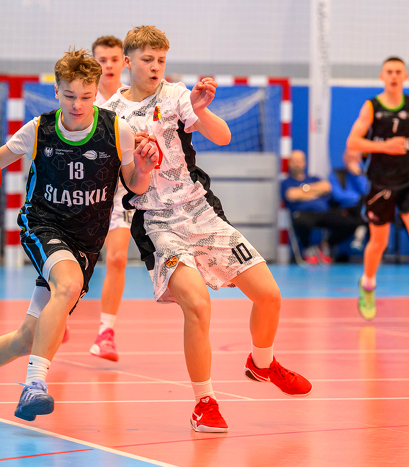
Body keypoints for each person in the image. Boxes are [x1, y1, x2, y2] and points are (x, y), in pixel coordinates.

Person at [0, 48, 159, 424]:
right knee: (67, 285)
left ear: (96, 91)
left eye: (85, 96)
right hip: (43, 225)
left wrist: (142, 170)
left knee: (26, 339)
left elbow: (134, 185)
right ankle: (34, 384)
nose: (77, 104)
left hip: (86, 242)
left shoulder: (117, 130)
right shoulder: (39, 129)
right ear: (56, 91)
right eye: (69, 95)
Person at [103, 25, 312, 433]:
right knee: (198, 305)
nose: (156, 67)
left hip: (200, 212)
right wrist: (142, 165)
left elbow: (223, 135)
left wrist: (202, 109)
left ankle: (262, 363)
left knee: (269, 295)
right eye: (147, 60)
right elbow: (132, 185)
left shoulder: (178, 95)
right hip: (157, 222)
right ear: (128, 61)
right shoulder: (112, 115)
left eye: (161, 60)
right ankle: (205, 402)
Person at [346, 56, 409, 320]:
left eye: (398, 72)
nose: (393, 76)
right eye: (389, 71)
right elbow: (353, 142)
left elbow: (407, 134)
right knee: (378, 243)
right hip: (380, 182)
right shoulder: (371, 107)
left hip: (407, 180)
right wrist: (384, 146)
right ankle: (368, 284)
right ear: (382, 76)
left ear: (405, 76)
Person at [88, 35, 128, 361]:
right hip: (87, 192)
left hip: (122, 194)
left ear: (124, 61)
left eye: (114, 59)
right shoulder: (84, 99)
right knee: (78, 262)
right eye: (102, 59)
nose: (109, 65)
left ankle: (106, 333)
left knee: (116, 259)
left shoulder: (132, 98)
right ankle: (59, 313)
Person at [281, 150, 360, 264]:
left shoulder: (314, 178)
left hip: (324, 213)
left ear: (304, 162)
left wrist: (302, 192)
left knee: (350, 222)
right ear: (289, 163)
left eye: (299, 161)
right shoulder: (287, 182)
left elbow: (326, 187)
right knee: (299, 220)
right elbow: (291, 194)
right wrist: (314, 192)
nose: (297, 164)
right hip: (304, 214)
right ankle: (308, 248)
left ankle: (325, 246)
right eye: (294, 161)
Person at [328, 149, 369, 252]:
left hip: (362, 208)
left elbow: (367, 191)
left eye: (354, 158)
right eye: (349, 158)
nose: (351, 161)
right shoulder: (336, 174)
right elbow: (338, 195)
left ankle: (374, 252)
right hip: (344, 209)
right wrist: (357, 198)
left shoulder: (364, 174)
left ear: (359, 160)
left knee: (370, 208)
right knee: (364, 206)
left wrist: (358, 175)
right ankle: (360, 230)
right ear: (344, 158)